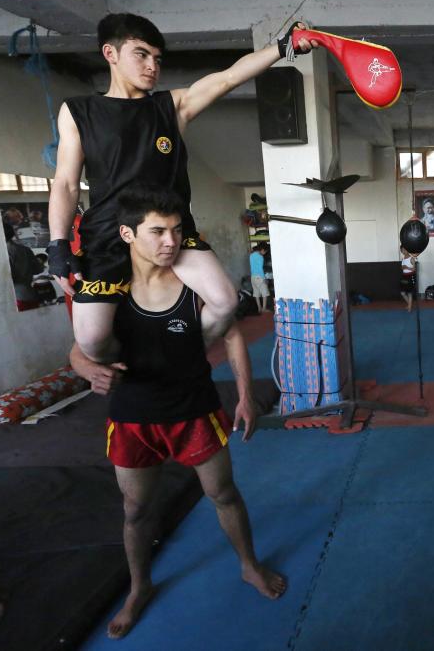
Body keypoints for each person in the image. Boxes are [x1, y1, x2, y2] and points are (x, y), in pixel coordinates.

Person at [68, 184, 285, 640]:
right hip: (132, 418)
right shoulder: (110, 287)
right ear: (128, 233)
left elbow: (230, 334)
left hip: (194, 411)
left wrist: (245, 396)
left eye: (176, 230)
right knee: (135, 510)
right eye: (158, 231)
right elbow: (79, 348)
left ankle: (249, 566)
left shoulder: (193, 284)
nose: (171, 241)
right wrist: (88, 370)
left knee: (224, 494)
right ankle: (139, 587)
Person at [47, 13, 315, 364]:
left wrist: (283, 47)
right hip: (108, 235)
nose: (151, 66)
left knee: (225, 301)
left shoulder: (170, 107)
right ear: (110, 53)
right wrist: (57, 243)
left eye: (157, 59)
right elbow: (66, 183)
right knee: (91, 340)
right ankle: (138, 365)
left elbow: (228, 78)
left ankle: (177, 359)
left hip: (172, 231)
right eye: (140, 55)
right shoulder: (79, 111)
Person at [3, 221, 43, 311]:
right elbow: (38, 269)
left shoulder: (2, 253)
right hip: (30, 294)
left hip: (14, 299)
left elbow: (7, 279)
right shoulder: (25, 250)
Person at [249, 243, 270, 313]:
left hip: (253, 277)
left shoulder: (251, 255)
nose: (265, 253)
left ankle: (259, 308)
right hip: (259, 277)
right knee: (265, 293)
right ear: (262, 250)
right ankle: (264, 309)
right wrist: (264, 278)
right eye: (265, 252)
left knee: (256, 293)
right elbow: (260, 269)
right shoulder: (260, 257)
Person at [400, 245, 418, 312]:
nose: (404, 251)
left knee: (409, 293)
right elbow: (402, 268)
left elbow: (414, 269)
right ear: (401, 251)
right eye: (402, 250)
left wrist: (407, 267)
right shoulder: (403, 258)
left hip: (410, 276)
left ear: (408, 250)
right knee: (403, 293)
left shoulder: (411, 258)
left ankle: (409, 307)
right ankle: (409, 304)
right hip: (404, 276)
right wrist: (403, 267)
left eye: (405, 249)